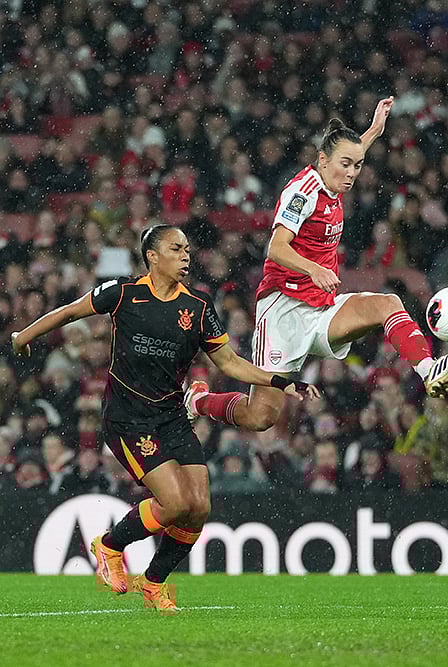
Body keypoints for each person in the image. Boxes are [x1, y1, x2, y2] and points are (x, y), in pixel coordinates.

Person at [10, 225, 319, 613]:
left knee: (199, 506)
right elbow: (70, 312)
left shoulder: (199, 307)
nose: (186, 255)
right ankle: (109, 545)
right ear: (152, 256)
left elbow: (229, 363)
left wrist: (281, 381)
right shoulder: (122, 292)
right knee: (173, 503)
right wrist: (23, 336)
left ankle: (154, 583)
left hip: (171, 416)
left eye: (188, 249)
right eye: (176, 249)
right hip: (127, 419)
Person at [188, 98, 448, 431]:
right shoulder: (302, 192)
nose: (352, 174)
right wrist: (314, 268)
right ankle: (198, 400)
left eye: (358, 165)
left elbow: (350, 150)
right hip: (283, 311)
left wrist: (374, 131)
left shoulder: (335, 174)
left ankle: (429, 371)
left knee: (388, 303)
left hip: (321, 307)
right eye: (346, 165)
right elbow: (276, 248)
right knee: (261, 417)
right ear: (322, 160)